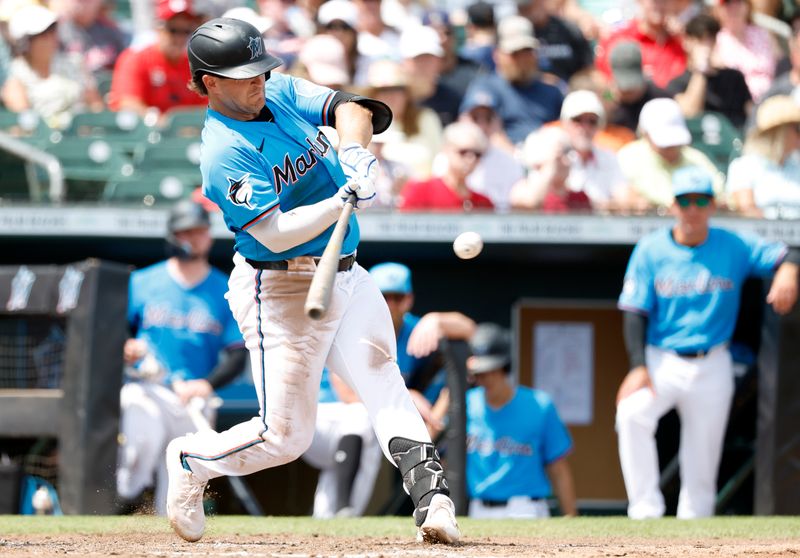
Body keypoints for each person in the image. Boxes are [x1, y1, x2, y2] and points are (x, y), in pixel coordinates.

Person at [166, 17, 460, 545]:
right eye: (243, 74)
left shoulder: (275, 89)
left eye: (259, 69)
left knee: (382, 377)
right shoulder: (222, 151)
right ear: (210, 82)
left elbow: (352, 108)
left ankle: (434, 503)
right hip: (278, 288)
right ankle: (193, 459)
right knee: (285, 438)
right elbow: (275, 234)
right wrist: (339, 199)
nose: (258, 81)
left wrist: (354, 153)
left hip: (345, 270)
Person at [616, 166, 800, 519]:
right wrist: (638, 366)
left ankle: (695, 529)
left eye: (701, 200)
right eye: (686, 201)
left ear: (712, 205)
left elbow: (787, 253)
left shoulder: (732, 244)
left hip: (713, 359)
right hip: (662, 358)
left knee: (702, 455)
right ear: (673, 205)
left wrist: (789, 271)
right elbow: (633, 311)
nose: (693, 209)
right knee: (631, 414)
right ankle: (644, 509)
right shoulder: (650, 249)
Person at [117, 200, 247, 515]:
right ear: (173, 235)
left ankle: (169, 527)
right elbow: (115, 333)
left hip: (193, 395)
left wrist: (206, 384)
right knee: (141, 440)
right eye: (186, 232)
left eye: (200, 232)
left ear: (209, 236)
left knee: (182, 481)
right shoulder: (143, 281)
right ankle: (125, 500)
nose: (193, 239)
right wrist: (126, 346)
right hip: (149, 385)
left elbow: (237, 354)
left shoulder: (223, 288)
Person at [465, 323, 577, 519]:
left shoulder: (539, 405)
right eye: (480, 373)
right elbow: (436, 456)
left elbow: (558, 468)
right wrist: (443, 404)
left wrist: (570, 514)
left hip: (526, 508)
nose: (486, 378)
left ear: (505, 366)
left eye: (493, 369)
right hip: (479, 509)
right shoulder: (465, 405)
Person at [463, 15, 563, 145]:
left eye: (527, 51)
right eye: (515, 53)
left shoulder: (551, 91)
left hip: (546, 156)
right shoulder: (486, 88)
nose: (522, 59)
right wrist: (516, 159)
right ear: (497, 55)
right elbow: (480, 130)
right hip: (501, 160)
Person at [1, 3, 103, 129]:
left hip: (83, 136)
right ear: (25, 42)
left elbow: (96, 107)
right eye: (43, 34)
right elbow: (23, 121)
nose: (51, 38)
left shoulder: (74, 63)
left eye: (53, 30)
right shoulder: (14, 74)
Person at [616, 97, 723, 210]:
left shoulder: (696, 159)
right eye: (665, 144)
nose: (671, 147)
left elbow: (718, 193)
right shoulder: (627, 158)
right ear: (645, 134)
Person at [108, 0, 207, 118]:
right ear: (158, 28)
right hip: (146, 135)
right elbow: (127, 103)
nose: (180, 38)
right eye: (173, 30)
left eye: (185, 31)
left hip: (187, 134)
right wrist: (159, 122)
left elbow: (206, 106)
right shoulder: (136, 59)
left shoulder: (195, 65)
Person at [666, 13, 752, 130]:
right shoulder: (677, 83)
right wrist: (701, 70)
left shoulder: (734, 77)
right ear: (687, 42)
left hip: (735, 139)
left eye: (711, 39)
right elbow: (690, 114)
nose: (706, 46)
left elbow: (751, 112)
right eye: (700, 40)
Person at [726, 95, 800, 218]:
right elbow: (747, 211)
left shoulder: (797, 166)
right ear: (779, 132)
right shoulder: (743, 167)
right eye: (798, 128)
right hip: (760, 235)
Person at [398, 120, 494, 212]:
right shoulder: (422, 190)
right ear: (446, 149)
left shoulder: (484, 202)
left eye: (477, 154)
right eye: (463, 152)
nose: (471, 159)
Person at [595, 0, 686, 90]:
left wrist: (684, 40)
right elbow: (604, 87)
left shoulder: (683, 43)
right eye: (655, 1)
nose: (660, 5)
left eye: (665, 0)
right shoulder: (620, 40)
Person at [511, 126, 592, 213]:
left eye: (568, 152)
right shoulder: (522, 189)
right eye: (562, 154)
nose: (567, 161)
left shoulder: (579, 198)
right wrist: (550, 166)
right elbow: (528, 206)